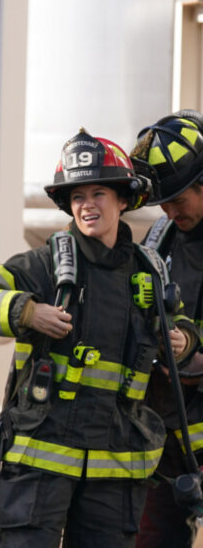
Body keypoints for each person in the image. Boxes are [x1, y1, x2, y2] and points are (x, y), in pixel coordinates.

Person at [0, 129, 198, 547]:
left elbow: (183, 325)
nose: (87, 205)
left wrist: (183, 342)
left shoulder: (148, 273)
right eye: (78, 197)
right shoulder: (43, 267)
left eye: (98, 193)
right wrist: (26, 311)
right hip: (39, 467)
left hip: (114, 470)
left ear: (124, 200)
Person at [131, 110, 203, 547]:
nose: (170, 209)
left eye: (179, 198)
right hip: (161, 442)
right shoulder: (161, 236)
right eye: (164, 201)